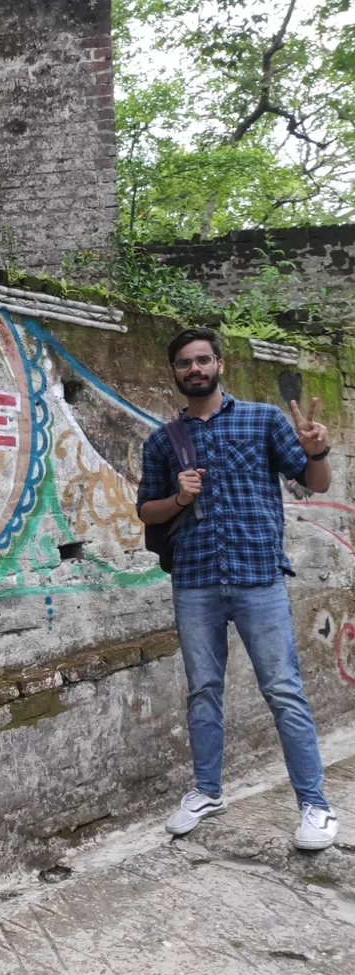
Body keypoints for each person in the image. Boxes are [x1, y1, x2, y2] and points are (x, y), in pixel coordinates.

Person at [136, 326, 337, 851]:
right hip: (195, 581)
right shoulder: (162, 442)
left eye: (203, 360)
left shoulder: (264, 419)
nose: (195, 369)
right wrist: (179, 498)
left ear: (219, 365)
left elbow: (315, 484)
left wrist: (318, 451)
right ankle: (206, 791)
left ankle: (315, 805)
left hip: (258, 578)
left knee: (283, 690)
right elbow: (146, 512)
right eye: (185, 363)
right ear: (176, 373)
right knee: (203, 690)